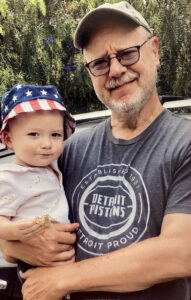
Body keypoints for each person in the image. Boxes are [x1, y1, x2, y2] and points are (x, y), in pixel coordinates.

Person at [1, 1, 191, 299]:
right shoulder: (67, 150)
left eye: (128, 53)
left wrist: (62, 279)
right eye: (100, 63)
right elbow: (16, 212)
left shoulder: (185, 143)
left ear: (154, 51)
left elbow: (180, 252)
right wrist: (11, 244)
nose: (115, 69)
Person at [0, 84, 77, 300]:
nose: (47, 144)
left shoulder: (51, 167)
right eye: (34, 134)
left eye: (55, 134)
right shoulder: (9, 178)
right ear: (8, 139)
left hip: (62, 267)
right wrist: (15, 232)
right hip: (35, 263)